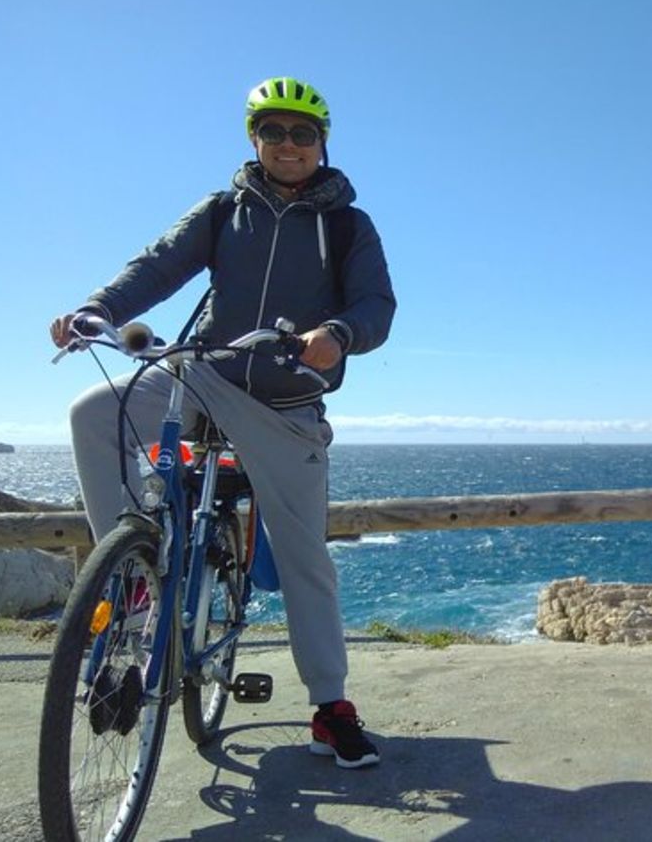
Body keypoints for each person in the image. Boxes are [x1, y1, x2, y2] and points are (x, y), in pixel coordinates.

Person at [49, 76, 396, 769]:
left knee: (305, 558)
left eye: (302, 133)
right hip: (205, 373)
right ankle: (131, 572)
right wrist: (98, 309)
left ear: (323, 142)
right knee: (93, 412)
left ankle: (330, 706)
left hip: (287, 400)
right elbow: (158, 266)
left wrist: (338, 334)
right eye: (273, 131)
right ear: (253, 138)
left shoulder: (347, 225)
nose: (288, 144)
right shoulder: (222, 210)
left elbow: (375, 305)